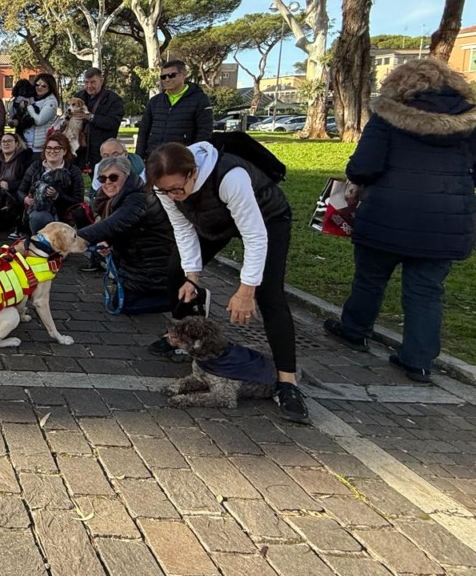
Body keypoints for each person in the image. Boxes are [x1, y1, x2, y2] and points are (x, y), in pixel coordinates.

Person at [324, 58, 476, 383]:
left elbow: (363, 167)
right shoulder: (469, 122)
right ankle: (418, 361)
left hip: (386, 213)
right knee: (426, 291)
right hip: (445, 222)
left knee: (370, 278)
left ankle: (354, 330)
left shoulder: (387, 117)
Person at [147, 140, 309, 424]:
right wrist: (192, 277)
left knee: (269, 294)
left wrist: (246, 290)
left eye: (177, 189)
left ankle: (287, 383)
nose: (172, 196)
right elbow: (182, 229)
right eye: (165, 191)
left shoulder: (230, 177)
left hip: (267, 218)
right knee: (176, 270)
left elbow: (255, 236)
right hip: (214, 220)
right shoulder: (166, 188)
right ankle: (187, 339)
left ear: (193, 173)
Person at [75, 155, 175, 314]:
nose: (107, 182)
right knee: (120, 302)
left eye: (113, 177)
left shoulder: (139, 198)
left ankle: (189, 299)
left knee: (124, 306)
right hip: (137, 262)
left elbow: (117, 222)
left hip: (153, 263)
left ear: (127, 176)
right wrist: (107, 241)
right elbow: (121, 227)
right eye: (102, 178)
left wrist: (76, 237)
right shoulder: (119, 197)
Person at [136, 59, 214, 159]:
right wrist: (139, 158)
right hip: (154, 158)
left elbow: (205, 132)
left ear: (183, 75)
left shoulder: (200, 99)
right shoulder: (154, 102)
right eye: (163, 77)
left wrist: (193, 157)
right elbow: (143, 131)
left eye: (171, 75)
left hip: (182, 160)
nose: (167, 79)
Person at [18, 131, 85, 234]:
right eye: (48, 148)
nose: (52, 151)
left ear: (64, 151)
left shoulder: (73, 171)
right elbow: (20, 191)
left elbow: (78, 200)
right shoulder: (35, 167)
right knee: (39, 216)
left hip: (63, 212)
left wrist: (58, 195)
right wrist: (26, 199)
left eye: (57, 148)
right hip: (38, 211)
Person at [72, 68, 125, 170]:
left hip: (101, 150)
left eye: (93, 82)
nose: (89, 86)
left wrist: (90, 117)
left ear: (101, 81)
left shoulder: (114, 99)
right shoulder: (78, 97)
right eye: (86, 82)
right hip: (79, 148)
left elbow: (113, 123)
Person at [0, 130, 34, 234]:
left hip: (17, 192)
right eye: (3, 141)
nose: (6, 144)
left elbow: (28, 181)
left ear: (16, 144)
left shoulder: (25, 159)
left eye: (9, 141)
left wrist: (10, 185)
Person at [15, 73, 61, 154]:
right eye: (37, 84)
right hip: (24, 143)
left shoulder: (51, 102)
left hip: (39, 147)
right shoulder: (31, 98)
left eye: (43, 85)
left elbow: (38, 120)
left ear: (50, 87)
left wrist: (28, 106)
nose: (39, 87)